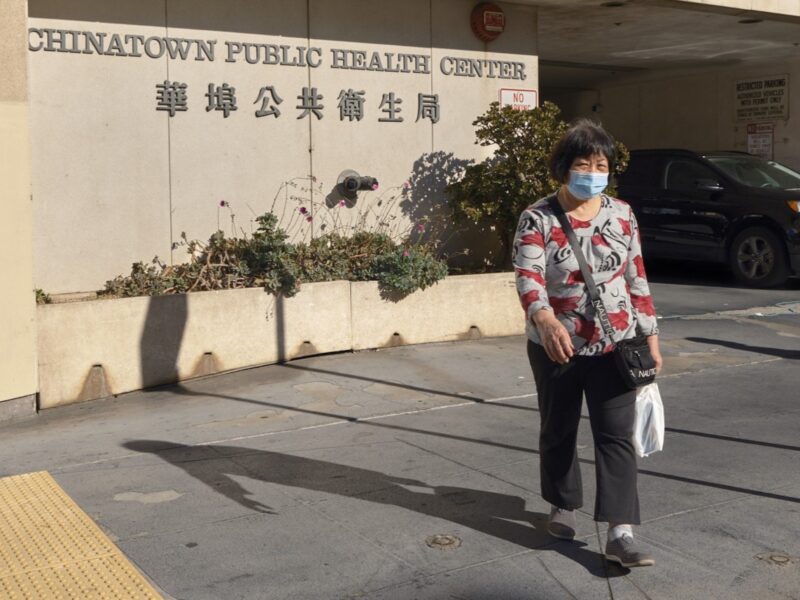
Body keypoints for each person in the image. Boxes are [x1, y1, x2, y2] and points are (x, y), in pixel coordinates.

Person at [512, 119, 663, 568]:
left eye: (601, 165)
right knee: (558, 427)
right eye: (583, 164)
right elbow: (529, 277)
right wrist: (544, 319)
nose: (593, 173)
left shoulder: (622, 214)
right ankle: (562, 504)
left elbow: (636, 277)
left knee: (616, 436)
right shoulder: (537, 217)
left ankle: (621, 531)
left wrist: (651, 336)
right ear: (564, 167)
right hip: (555, 344)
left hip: (616, 342)